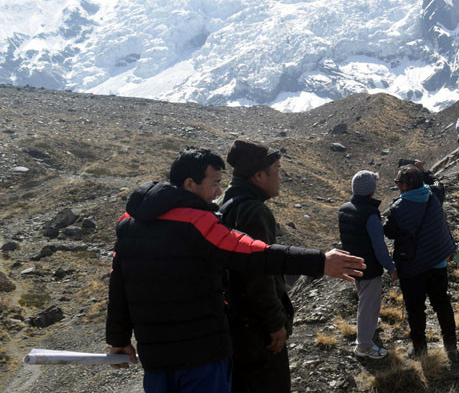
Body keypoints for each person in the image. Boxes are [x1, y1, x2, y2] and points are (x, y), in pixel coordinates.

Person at [106, 148, 365, 393]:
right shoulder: (197, 223)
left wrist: (118, 338)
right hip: (202, 357)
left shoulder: (129, 225)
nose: (218, 192)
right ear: (189, 184)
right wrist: (319, 262)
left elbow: (119, 285)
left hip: (157, 361)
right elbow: (254, 253)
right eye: (214, 183)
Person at [219, 141, 297, 393]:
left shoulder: (227, 204)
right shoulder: (254, 211)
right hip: (257, 330)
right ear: (259, 175)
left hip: (238, 325)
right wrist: (275, 324)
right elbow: (258, 274)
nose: (279, 177)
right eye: (276, 169)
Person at [383, 165, 458, 359]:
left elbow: (389, 232)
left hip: (413, 268)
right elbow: (437, 183)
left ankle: (420, 349)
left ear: (406, 186)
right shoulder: (434, 194)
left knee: (415, 308)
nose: (397, 186)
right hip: (438, 261)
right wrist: (423, 171)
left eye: (398, 182)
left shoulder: (398, 209)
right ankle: (451, 346)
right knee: (442, 303)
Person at [338, 171, 396, 360]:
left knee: (365, 299)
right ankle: (363, 345)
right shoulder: (370, 214)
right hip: (369, 266)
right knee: (369, 303)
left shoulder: (345, 208)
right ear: (371, 191)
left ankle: (369, 325)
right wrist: (391, 267)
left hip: (352, 262)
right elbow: (379, 247)